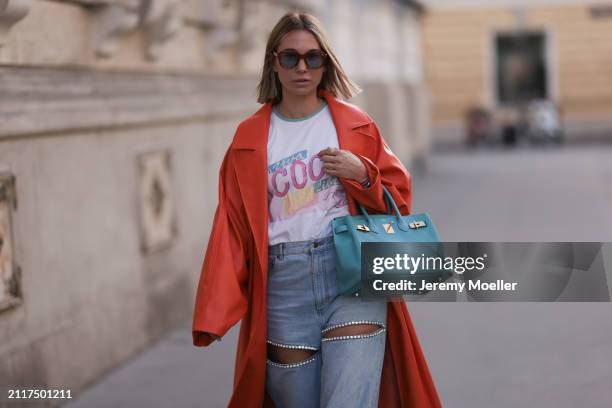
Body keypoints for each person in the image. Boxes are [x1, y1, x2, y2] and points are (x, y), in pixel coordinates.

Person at [192, 11, 442, 408]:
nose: (302, 67)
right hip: (283, 286)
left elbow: (399, 199)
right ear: (274, 61)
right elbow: (232, 226)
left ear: (326, 62)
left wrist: (364, 176)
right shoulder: (249, 138)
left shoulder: (355, 125)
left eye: (314, 57)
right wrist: (214, 309)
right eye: (290, 57)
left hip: (350, 273)